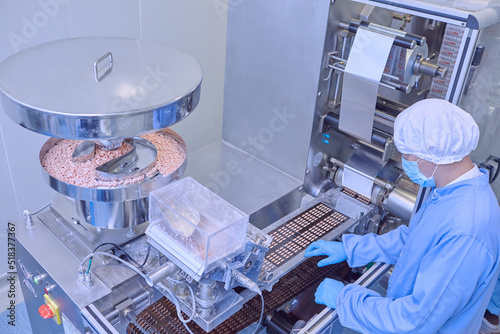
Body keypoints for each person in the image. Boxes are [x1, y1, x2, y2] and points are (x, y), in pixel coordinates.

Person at [304, 98, 500, 333]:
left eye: (406, 155)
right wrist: (351, 249)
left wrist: (344, 299)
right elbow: (416, 240)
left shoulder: (467, 231)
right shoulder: (451, 191)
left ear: (432, 155)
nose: (403, 161)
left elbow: (413, 323)